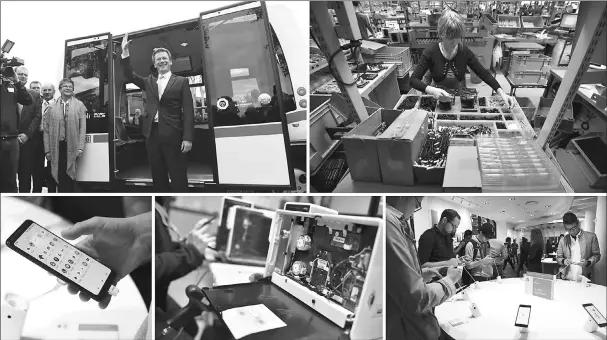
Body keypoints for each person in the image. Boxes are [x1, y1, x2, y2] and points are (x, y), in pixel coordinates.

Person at [121, 33, 194, 192]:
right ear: (154, 63)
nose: (161, 61)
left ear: (170, 61)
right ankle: (161, 208)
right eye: (158, 59)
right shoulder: (148, 81)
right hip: (152, 134)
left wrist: (187, 138)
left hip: (174, 134)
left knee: (178, 176)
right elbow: (129, 75)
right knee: (158, 176)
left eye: (164, 58)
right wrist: (125, 54)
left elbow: (188, 111)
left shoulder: (181, 82)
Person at [386, 197, 462, 340]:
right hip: (413, 322)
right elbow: (414, 295)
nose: (454, 230)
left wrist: (427, 273)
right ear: (444, 220)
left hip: (435, 290)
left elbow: (412, 269)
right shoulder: (426, 236)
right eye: (417, 203)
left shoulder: (447, 238)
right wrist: (449, 275)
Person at [410, 9, 515, 108]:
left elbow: (483, 73)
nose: (455, 42)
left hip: (458, 96)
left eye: (458, 37)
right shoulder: (430, 52)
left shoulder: (464, 51)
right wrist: (431, 90)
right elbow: (413, 80)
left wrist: (502, 93)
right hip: (437, 96)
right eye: (450, 38)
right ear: (441, 34)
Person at [155, 197, 216, 338]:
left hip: (160, 296)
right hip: (151, 301)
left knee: (193, 328)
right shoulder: (150, 212)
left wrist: (186, 244)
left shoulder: (158, 210)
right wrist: (191, 252)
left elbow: (162, 251)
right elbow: (155, 267)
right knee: (189, 333)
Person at [43, 78, 86, 192]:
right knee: (59, 174)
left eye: (70, 87)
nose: (68, 88)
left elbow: (83, 128)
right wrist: (47, 151)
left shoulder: (79, 105)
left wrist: (80, 147)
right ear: (60, 89)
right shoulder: (51, 107)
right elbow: (46, 131)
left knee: (70, 176)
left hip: (73, 146)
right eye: (65, 86)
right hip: (57, 147)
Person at [1, 63, 33, 192]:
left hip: (12, 139)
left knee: (11, 181)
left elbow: (27, 100)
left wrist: (16, 81)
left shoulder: (12, 87)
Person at [15, 68, 42, 193]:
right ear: (14, 75)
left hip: (27, 141)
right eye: (20, 74)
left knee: (25, 175)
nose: (23, 76)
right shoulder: (5, 92)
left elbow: (37, 117)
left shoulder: (34, 95)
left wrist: (26, 135)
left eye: (26, 75)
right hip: (8, 140)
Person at [556, 212, 601, 281]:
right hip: (566, 278)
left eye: (573, 228)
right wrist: (564, 261)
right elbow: (558, 258)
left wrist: (588, 262)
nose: (571, 231)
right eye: (568, 229)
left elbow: (597, 255)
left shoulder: (591, 237)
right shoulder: (563, 240)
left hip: (584, 278)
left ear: (578, 223)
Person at [39, 83, 57, 193]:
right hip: (38, 139)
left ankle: (52, 191)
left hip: (52, 140)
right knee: (38, 167)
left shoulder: (58, 104)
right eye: (44, 90)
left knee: (52, 168)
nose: (47, 92)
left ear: (54, 91)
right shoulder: (38, 104)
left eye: (49, 90)